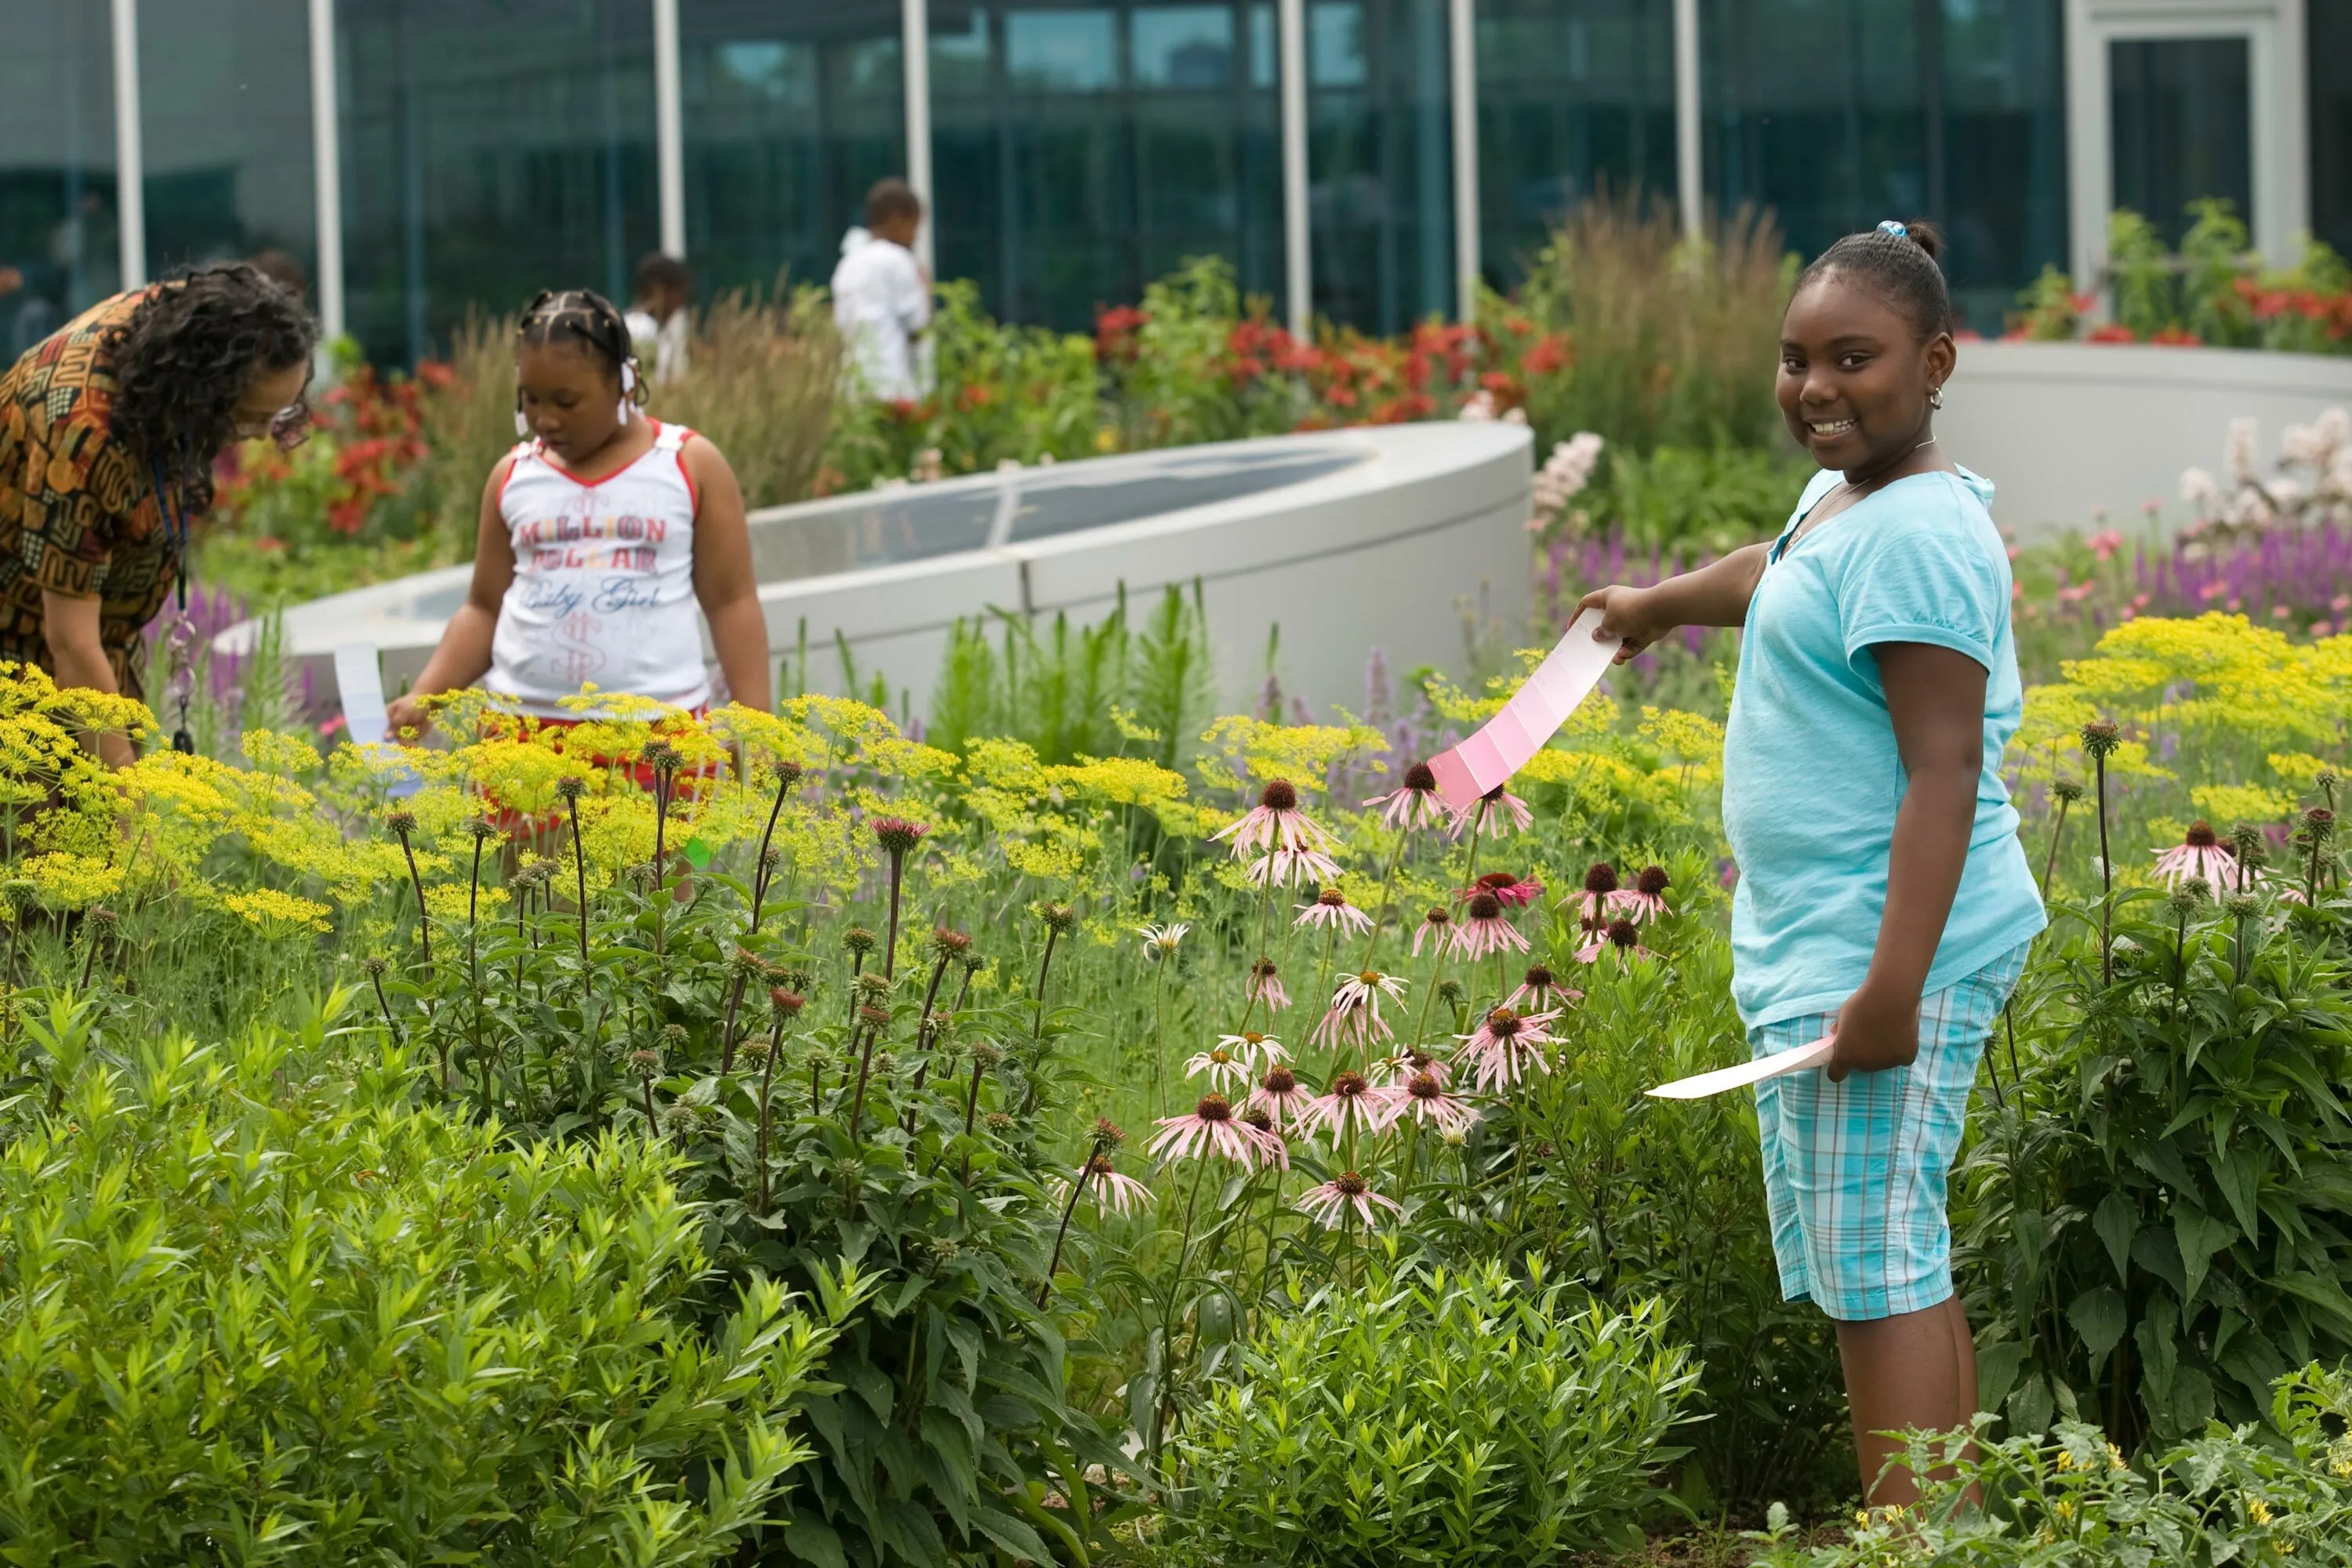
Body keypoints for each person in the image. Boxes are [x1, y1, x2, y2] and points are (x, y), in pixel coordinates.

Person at [1578, 219, 2045, 1508]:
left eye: (1855, 359)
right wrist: (1661, 603)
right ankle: (1946, 1533)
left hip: (1887, 949)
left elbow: (1944, 775)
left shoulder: (1918, 533)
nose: (1815, 389)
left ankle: (1911, 1542)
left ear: (1937, 362)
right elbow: (1783, 572)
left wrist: (1892, 990)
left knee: (1874, 1265)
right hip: (1838, 940)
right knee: (1888, 1253)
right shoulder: (1852, 500)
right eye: (1795, 361)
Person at [385, 288, 769, 740]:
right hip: (519, 741)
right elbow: (484, 608)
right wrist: (428, 694)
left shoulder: (688, 464)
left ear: (625, 383)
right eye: (531, 399)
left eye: (566, 402)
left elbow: (731, 603)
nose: (545, 420)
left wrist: (756, 728)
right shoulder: (513, 477)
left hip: (656, 741)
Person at [0, 263, 315, 767]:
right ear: (203, 391)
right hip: (19, 658)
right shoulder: (84, 433)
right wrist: (128, 802)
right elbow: (71, 643)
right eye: (251, 416)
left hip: (98, 645)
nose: (260, 434)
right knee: (50, 833)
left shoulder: (185, 330)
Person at [829, 179, 931, 402]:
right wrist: (926, 288)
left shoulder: (848, 264)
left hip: (852, 386)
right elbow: (918, 326)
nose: (915, 236)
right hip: (892, 387)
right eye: (914, 227)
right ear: (897, 219)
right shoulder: (899, 261)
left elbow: (840, 323)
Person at [624, 252, 692, 387]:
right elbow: (646, 386)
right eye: (679, 297)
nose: (679, 307)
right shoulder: (643, 330)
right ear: (657, 290)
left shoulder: (630, 323)